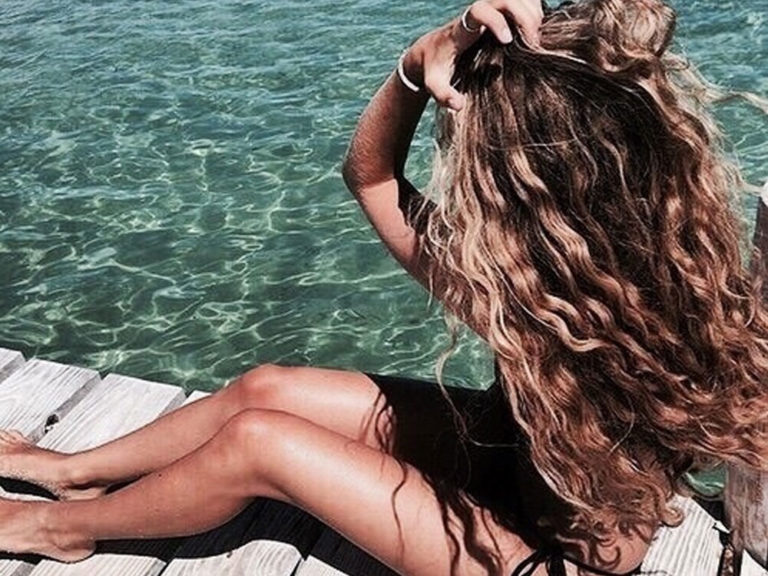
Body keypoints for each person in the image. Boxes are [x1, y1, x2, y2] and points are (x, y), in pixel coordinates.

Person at [1, 0, 767, 574]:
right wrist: (417, 60)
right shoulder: (627, 276)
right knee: (267, 388)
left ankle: (58, 530)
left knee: (258, 443)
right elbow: (370, 177)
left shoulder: (536, 304)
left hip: (541, 565)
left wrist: (417, 66)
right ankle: (70, 470)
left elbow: (370, 177)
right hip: (513, 464)